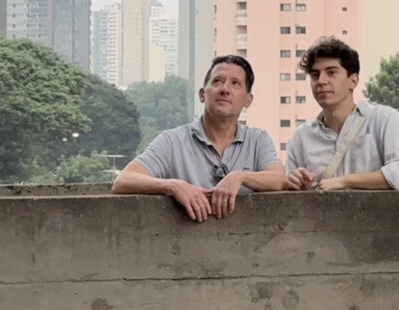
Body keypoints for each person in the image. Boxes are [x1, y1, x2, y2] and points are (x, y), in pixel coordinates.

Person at [112, 55, 285, 221]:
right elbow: (124, 180)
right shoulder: (172, 141)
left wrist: (239, 177)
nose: (225, 89)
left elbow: (278, 179)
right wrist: (172, 186)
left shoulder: (257, 140)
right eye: (218, 81)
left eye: (235, 84)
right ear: (202, 94)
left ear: (248, 100)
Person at [285, 37, 399, 191]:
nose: (321, 81)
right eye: (315, 75)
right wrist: (295, 182)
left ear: (353, 81)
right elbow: (289, 194)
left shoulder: (384, 120)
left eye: (331, 73)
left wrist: (345, 181)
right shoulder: (301, 138)